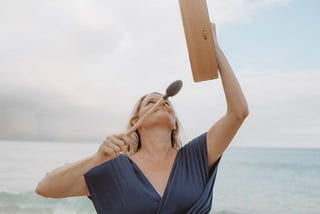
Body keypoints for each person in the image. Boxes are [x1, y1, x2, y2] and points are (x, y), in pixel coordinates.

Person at [35, 23, 249, 214]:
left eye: (166, 102)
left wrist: (215, 50)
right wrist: (96, 159)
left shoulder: (196, 156)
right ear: (135, 122)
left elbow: (238, 112)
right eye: (150, 102)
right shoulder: (112, 168)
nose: (162, 102)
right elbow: (45, 188)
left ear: (174, 123)